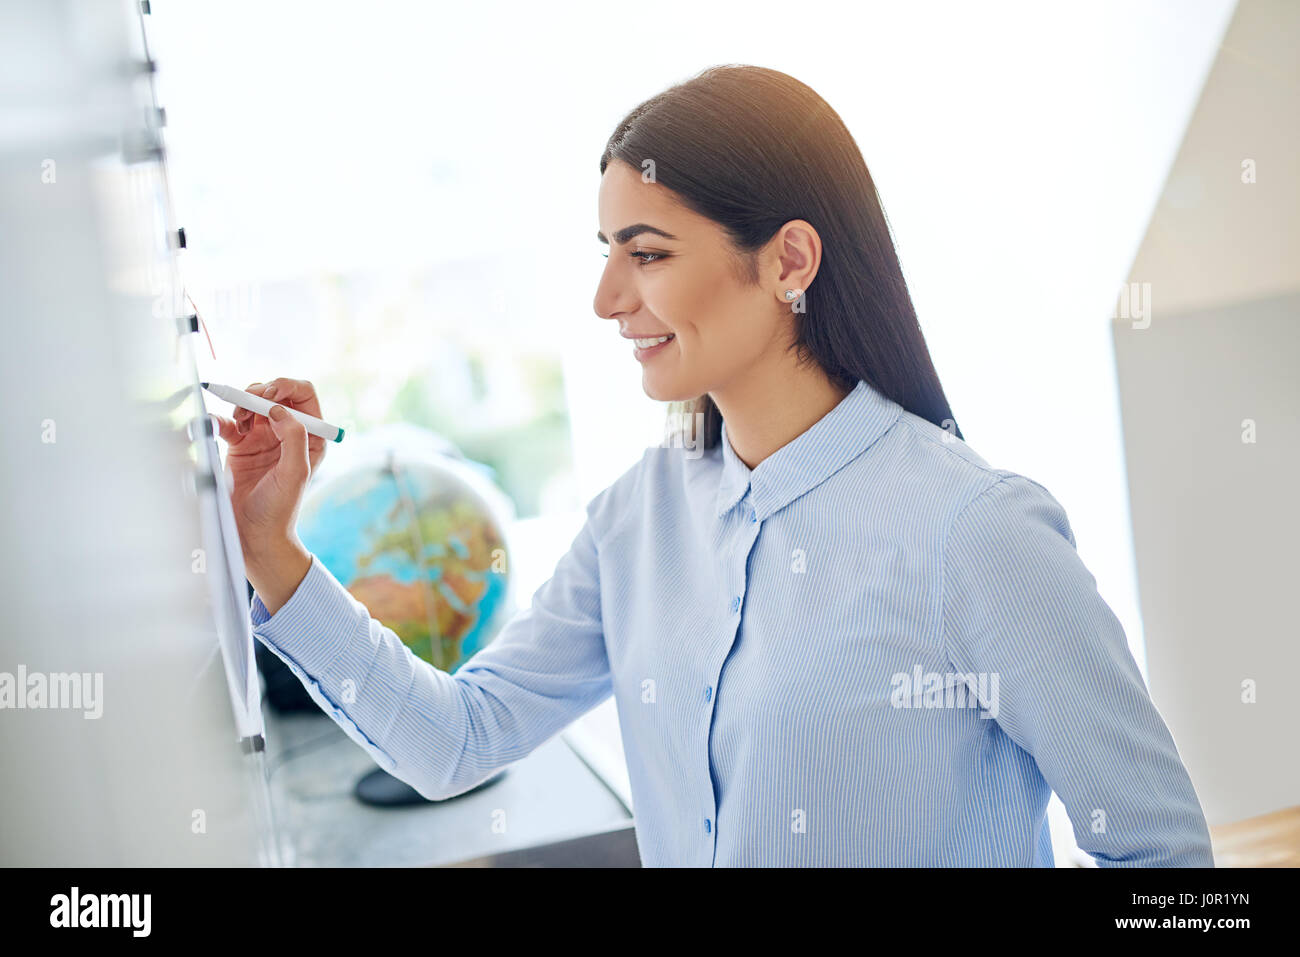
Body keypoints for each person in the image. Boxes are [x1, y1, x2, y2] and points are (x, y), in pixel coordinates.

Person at [212, 64, 1213, 867]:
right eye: (605, 251)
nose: (606, 299)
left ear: (788, 262)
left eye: (646, 254)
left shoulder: (973, 534)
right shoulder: (634, 520)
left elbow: (1163, 859)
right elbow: (458, 739)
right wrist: (271, 547)